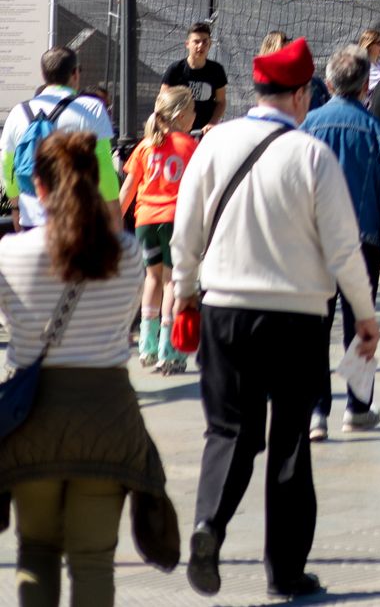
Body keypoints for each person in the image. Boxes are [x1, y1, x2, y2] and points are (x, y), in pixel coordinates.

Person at [173, 38, 380, 603]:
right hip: (295, 318)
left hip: (223, 308)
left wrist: (182, 292)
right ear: (297, 94)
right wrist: (364, 315)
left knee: (228, 431)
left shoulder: (215, 145)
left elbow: (185, 230)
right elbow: (342, 249)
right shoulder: (311, 154)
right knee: (290, 441)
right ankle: (284, 572)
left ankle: (208, 526)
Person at [0, 131, 170, 607]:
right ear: (99, 182)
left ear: (37, 186)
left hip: (30, 421)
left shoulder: (10, 253)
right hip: (108, 418)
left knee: (35, 554)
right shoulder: (128, 252)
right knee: (94, 561)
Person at [303, 44, 380, 438]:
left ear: (328, 83)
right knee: (360, 322)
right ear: (365, 87)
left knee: (315, 326)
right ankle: (357, 405)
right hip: (365, 239)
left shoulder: (306, 125)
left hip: (314, 239)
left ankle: (315, 411)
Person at [119, 82, 199, 372]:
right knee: (173, 282)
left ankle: (146, 346)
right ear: (180, 115)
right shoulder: (190, 146)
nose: (195, 115)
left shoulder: (145, 145)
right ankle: (170, 349)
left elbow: (128, 188)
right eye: (192, 109)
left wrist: (116, 222)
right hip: (175, 219)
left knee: (151, 279)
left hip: (145, 221)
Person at [3, 51, 121, 236]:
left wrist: (16, 208)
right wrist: (114, 215)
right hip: (78, 218)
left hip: (31, 218)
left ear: (44, 74)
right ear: (75, 73)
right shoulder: (91, 108)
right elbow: (104, 169)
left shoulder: (18, 112)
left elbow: (7, 165)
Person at [163, 24, 228, 134]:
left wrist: (212, 123)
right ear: (187, 44)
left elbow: (221, 102)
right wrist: (167, 127)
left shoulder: (217, 70)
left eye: (205, 42)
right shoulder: (175, 69)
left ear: (210, 44)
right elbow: (162, 102)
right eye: (196, 42)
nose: (201, 46)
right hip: (177, 131)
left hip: (204, 133)